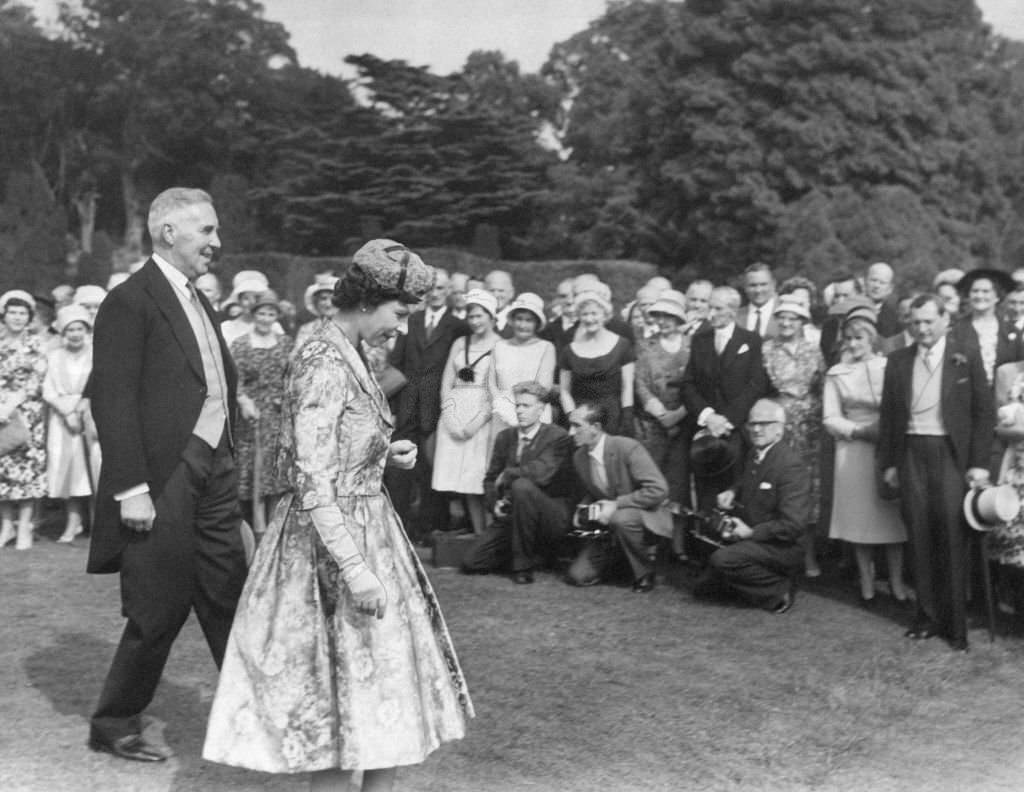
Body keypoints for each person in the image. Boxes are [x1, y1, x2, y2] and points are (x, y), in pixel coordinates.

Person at [203, 240, 473, 790]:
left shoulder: (351, 351)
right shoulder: (321, 361)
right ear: (368, 300)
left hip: (370, 527)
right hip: (327, 544)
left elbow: (339, 442)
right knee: (333, 706)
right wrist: (355, 568)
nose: (400, 327)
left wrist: (382, 452)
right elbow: (311, 477)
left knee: (386, 695)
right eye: (398, 313)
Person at [86, 187, 248, 762]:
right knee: (158, 607)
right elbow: (112, 399)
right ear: (169, 232)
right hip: (164, 476)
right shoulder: (129, 301)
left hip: (217, 468)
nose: (217, 242)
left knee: (229, 593)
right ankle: (113, 722)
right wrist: (132, 489)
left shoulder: (199, 299)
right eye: (207, 230)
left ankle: (256, 710)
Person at [878, 294, 994, 651]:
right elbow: (889, 417)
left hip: (950, 454)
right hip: (911, 452)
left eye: (929, 321)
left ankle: (955, 625)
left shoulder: (965, 355)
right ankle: (926, 617)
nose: (922, 329)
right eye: (915, 322)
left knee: (952, 535)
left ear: (945, 321)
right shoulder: (898, 360)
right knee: (919, 534)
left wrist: (978, 463)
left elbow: (984, 412)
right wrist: (890, 463)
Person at [823, 308, 908, 605]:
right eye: (848, 339)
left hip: (887, 445)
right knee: (860, 518)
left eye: (859, 338)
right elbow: (830, 417)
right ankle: (867, 581)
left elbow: (901, 405)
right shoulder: (837, 373)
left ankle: (896, 581)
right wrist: (858, 431)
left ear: (871, 339)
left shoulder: (889, 366)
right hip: (854, 448)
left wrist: (885, 430)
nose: (853, 344)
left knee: (892, 518)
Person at [694, 399, 809, 613]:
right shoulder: (755, 453)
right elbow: (748, 480)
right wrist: (732, 491)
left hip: (782, 546)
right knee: (702, 585)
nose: (756, 429)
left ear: (779, 429)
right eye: (752, 423)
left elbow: (793, 525)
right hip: (756, 539)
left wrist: (751, 533)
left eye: (764, 424)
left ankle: (779, 589)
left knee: (722, 560)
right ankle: (740, 582)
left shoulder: (790, 465)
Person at [462, 380, 576, 582]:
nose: (520, 411)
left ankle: (523, 567)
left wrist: (508, 474)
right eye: (518, 405)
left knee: (522, 486)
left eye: (527, 406)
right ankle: (534, 554)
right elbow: (490, 479)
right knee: (472, 562)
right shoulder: (505, 437)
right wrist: (494, 505)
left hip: (549, 515)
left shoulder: (558, 437)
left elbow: (542, 473)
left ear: (541, 409)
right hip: (513, 514)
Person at [387, 268, 468, 541]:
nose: (435, 293)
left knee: (432, 468)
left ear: (449, 291)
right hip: (408, 404)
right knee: (401, 468)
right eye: (430, 288)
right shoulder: (412, 319)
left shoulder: (458, 326)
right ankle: (398, 525)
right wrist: (391, 407)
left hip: (438, 405)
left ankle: (431, 527)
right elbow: (396, 363)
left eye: (441, 288)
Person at [565, 401, 672, 592]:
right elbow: (595, 490)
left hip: (645, 515)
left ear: (596, 427)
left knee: (620, 518)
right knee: (577, 576)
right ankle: (619, 559)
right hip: (608, 524)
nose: (571, 432)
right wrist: (582, 507)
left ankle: (645, 572)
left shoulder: (627, 447)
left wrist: (616, 504)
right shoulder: (579, 457)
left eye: (577, 426)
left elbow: (658, 490)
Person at [680, 286, 767, 510]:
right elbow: (688, 384)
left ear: (733, 311)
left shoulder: (751, 340)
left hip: (736, 430)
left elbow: (756, 384)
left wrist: (727, 420)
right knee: (705, 495)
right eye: (710, 307)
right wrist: (708, 416)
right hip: (704, 431)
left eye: (718, 308)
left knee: (734, 494)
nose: (711, 313)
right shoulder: (700, 340)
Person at [761, 295, 825, 577]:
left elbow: (822, 387)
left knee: (807, 491)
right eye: (782, 317)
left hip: (809, 432)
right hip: (779, 427)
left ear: (802, 322)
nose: (786, 322)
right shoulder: (766, 349)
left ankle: (808, 556)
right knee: (778, 488)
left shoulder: (813, 350)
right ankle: (777, 555)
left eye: (793, 318)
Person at [432, 289, 500, 535]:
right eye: (471, 316)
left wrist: (476, 423)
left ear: (491, 316)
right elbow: (446, 382)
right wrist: (449, 416)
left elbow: (497, 390)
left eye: (480, 316)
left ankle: (487, 536)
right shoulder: (460, 343)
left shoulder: (501, 345)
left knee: (477, 479)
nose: (475, 321)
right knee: (460, 482)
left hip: (482, 416)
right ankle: (474, 535)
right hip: (455, 410)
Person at [230, 289, 293, 532]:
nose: (266, 319)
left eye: (271, 314)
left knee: (277, 475)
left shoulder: (286, 343)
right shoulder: (241, 345)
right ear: (253, 314)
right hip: (252, 418)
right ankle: (256, 530)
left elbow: (293, 377)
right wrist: (243, 401)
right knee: (254, 474)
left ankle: (276, 530)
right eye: (261, 314)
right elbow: (235, 381)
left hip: (279, 418)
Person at [43, 304, 100, 544]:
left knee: (94, 470)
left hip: (92, 415)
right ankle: (73, 523)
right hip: (63, 419)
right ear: (62, 333)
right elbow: (48, 390)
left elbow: (102, 383)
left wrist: (84, 408)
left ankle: (97, 523)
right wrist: (67, 411)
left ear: (87, 331)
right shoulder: (54, 356)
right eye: (70, 330)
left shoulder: (97, 353)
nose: (75, 334)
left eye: (79, 329)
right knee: (69, 470)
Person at [634, 289, 691, 508]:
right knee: (651, 481)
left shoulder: (693, 345)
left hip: (684, 424)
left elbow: (701, 382)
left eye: (669, 316)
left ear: (679, 318)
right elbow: (639, 383)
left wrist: (678, 414)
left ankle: (678, 528)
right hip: (651, 426)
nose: (663, 321)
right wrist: (660, 414)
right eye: (659, 316)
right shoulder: (645, 345)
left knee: (678, 484)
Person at [0, 291, 48, 550]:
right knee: (3, 469)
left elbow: (37, 379)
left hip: (28, 413)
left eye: (22, 313)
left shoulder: (37, 344)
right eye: (13, 313)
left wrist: (12, 403)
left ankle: (25, 527)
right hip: (0, 414)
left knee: (28, 469)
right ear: (4, 315)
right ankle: (7, 526)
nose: (17, 318)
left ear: (29, 317)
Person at [558, 289, 636, 436]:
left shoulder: (622, 345)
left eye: (594, 313)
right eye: (585, 314)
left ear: (604, 315)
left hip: (613, 416)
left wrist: (627, 418)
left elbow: (627, 388)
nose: (589, 319)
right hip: (579, 416)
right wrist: (573, 419)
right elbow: (564, 391)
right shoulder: (569, 350)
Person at [489, 292, 556, 435]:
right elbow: (491, 383)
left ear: (537, 323)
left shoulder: (546, 347)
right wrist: (502, 406)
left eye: (529, 320)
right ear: (512, 320)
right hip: (501, 413)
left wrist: (522, 409)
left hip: (535, 414)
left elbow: (543, 387)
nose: (522, 325)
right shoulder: (499, 346)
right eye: (519, 319)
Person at [949, 268, 1018, 386]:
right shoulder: (955, 331)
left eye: (986, 291)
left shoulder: (1012, 331)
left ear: (997, 296)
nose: (979, 295)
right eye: (975, 291)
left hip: (1005, 393)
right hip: (967, 393)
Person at [295, 274, 339, 351]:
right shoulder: (306, 329)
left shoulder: (350, 327)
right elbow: (298, 353)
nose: (328, 304)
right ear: (316, 302)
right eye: (323, 298)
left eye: (333, 299)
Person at [736, 262, 778, 338]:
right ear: (744, 287)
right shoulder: (735, 316)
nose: (758, 290)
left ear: (773, 284)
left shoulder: (785, 312)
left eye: (763, 284)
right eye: (753, 285)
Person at [865, 262, 901, 337]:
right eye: (873, 280)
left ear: (890, 288)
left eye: (882, 283)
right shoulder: (851, 307)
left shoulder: (894, 318)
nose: (876, 286)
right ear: (865, 281)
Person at [484, 269, 516, 335]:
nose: (496, 295)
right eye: (492, 290)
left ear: (511, 293)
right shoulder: (476, 320)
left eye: (501, 291)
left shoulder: (519, 321)